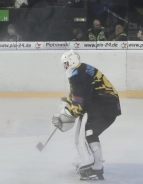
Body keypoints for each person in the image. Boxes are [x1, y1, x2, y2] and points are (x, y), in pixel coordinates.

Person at [52, 50, 121, 181]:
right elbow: (77, 97)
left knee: (89, 133)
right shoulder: (79, 70)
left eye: (66, 63)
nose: (64, 66)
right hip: (101, 104)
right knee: (85, 131)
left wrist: (64, 116)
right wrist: (68, 109)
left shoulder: (79, 75)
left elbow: (79, 106)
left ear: (72, 62)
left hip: (106, 107)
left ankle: (96, 168)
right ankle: (85, 158)